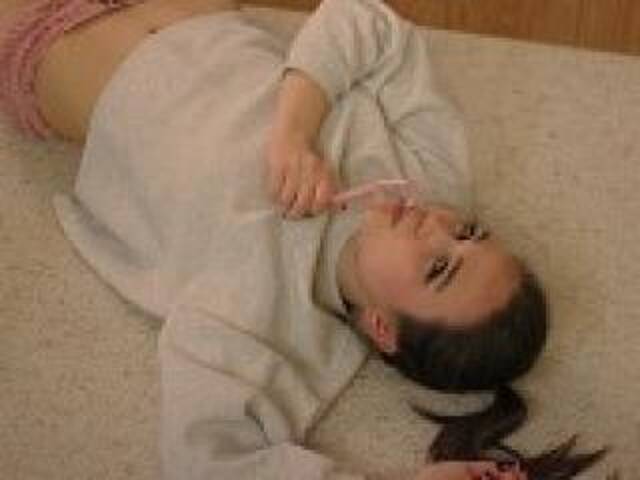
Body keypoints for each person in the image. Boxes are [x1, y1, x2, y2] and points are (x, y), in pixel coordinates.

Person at [1, 0, 603, 479]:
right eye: (471, 232)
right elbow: (366, 20)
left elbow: (206, 462)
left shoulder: (262, 328)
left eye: (438, 268)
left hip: (51, 43)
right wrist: (293, 132)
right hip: (204, 15)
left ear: (382, 328)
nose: (439, 226)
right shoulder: (434, 181)